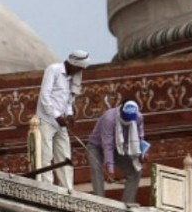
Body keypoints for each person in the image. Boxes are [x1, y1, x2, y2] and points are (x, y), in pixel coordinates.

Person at [35, 49, 91, 189]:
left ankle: (67, 189)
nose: (80, 71)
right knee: (45, 156)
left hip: (61, 123)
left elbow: (67, 100)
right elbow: (44, 96)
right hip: (47, 120)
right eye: (79, 68)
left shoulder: (73, 78)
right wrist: (56, 115)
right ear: (73, 63)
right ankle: (46, 187)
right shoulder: (53, 70)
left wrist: (70, 114)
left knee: (65, 156)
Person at [87, 100, 146, 203]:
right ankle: (100, 204)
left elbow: (140, 137)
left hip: (119, 148)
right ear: (121, 111)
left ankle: (127, 204)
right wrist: (110, 170)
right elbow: (107, 145)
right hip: (96, 147)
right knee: (96, 170)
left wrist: (144, 152)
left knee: (136, 172)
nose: (127, 121)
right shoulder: (109, 118)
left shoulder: (138, 117)